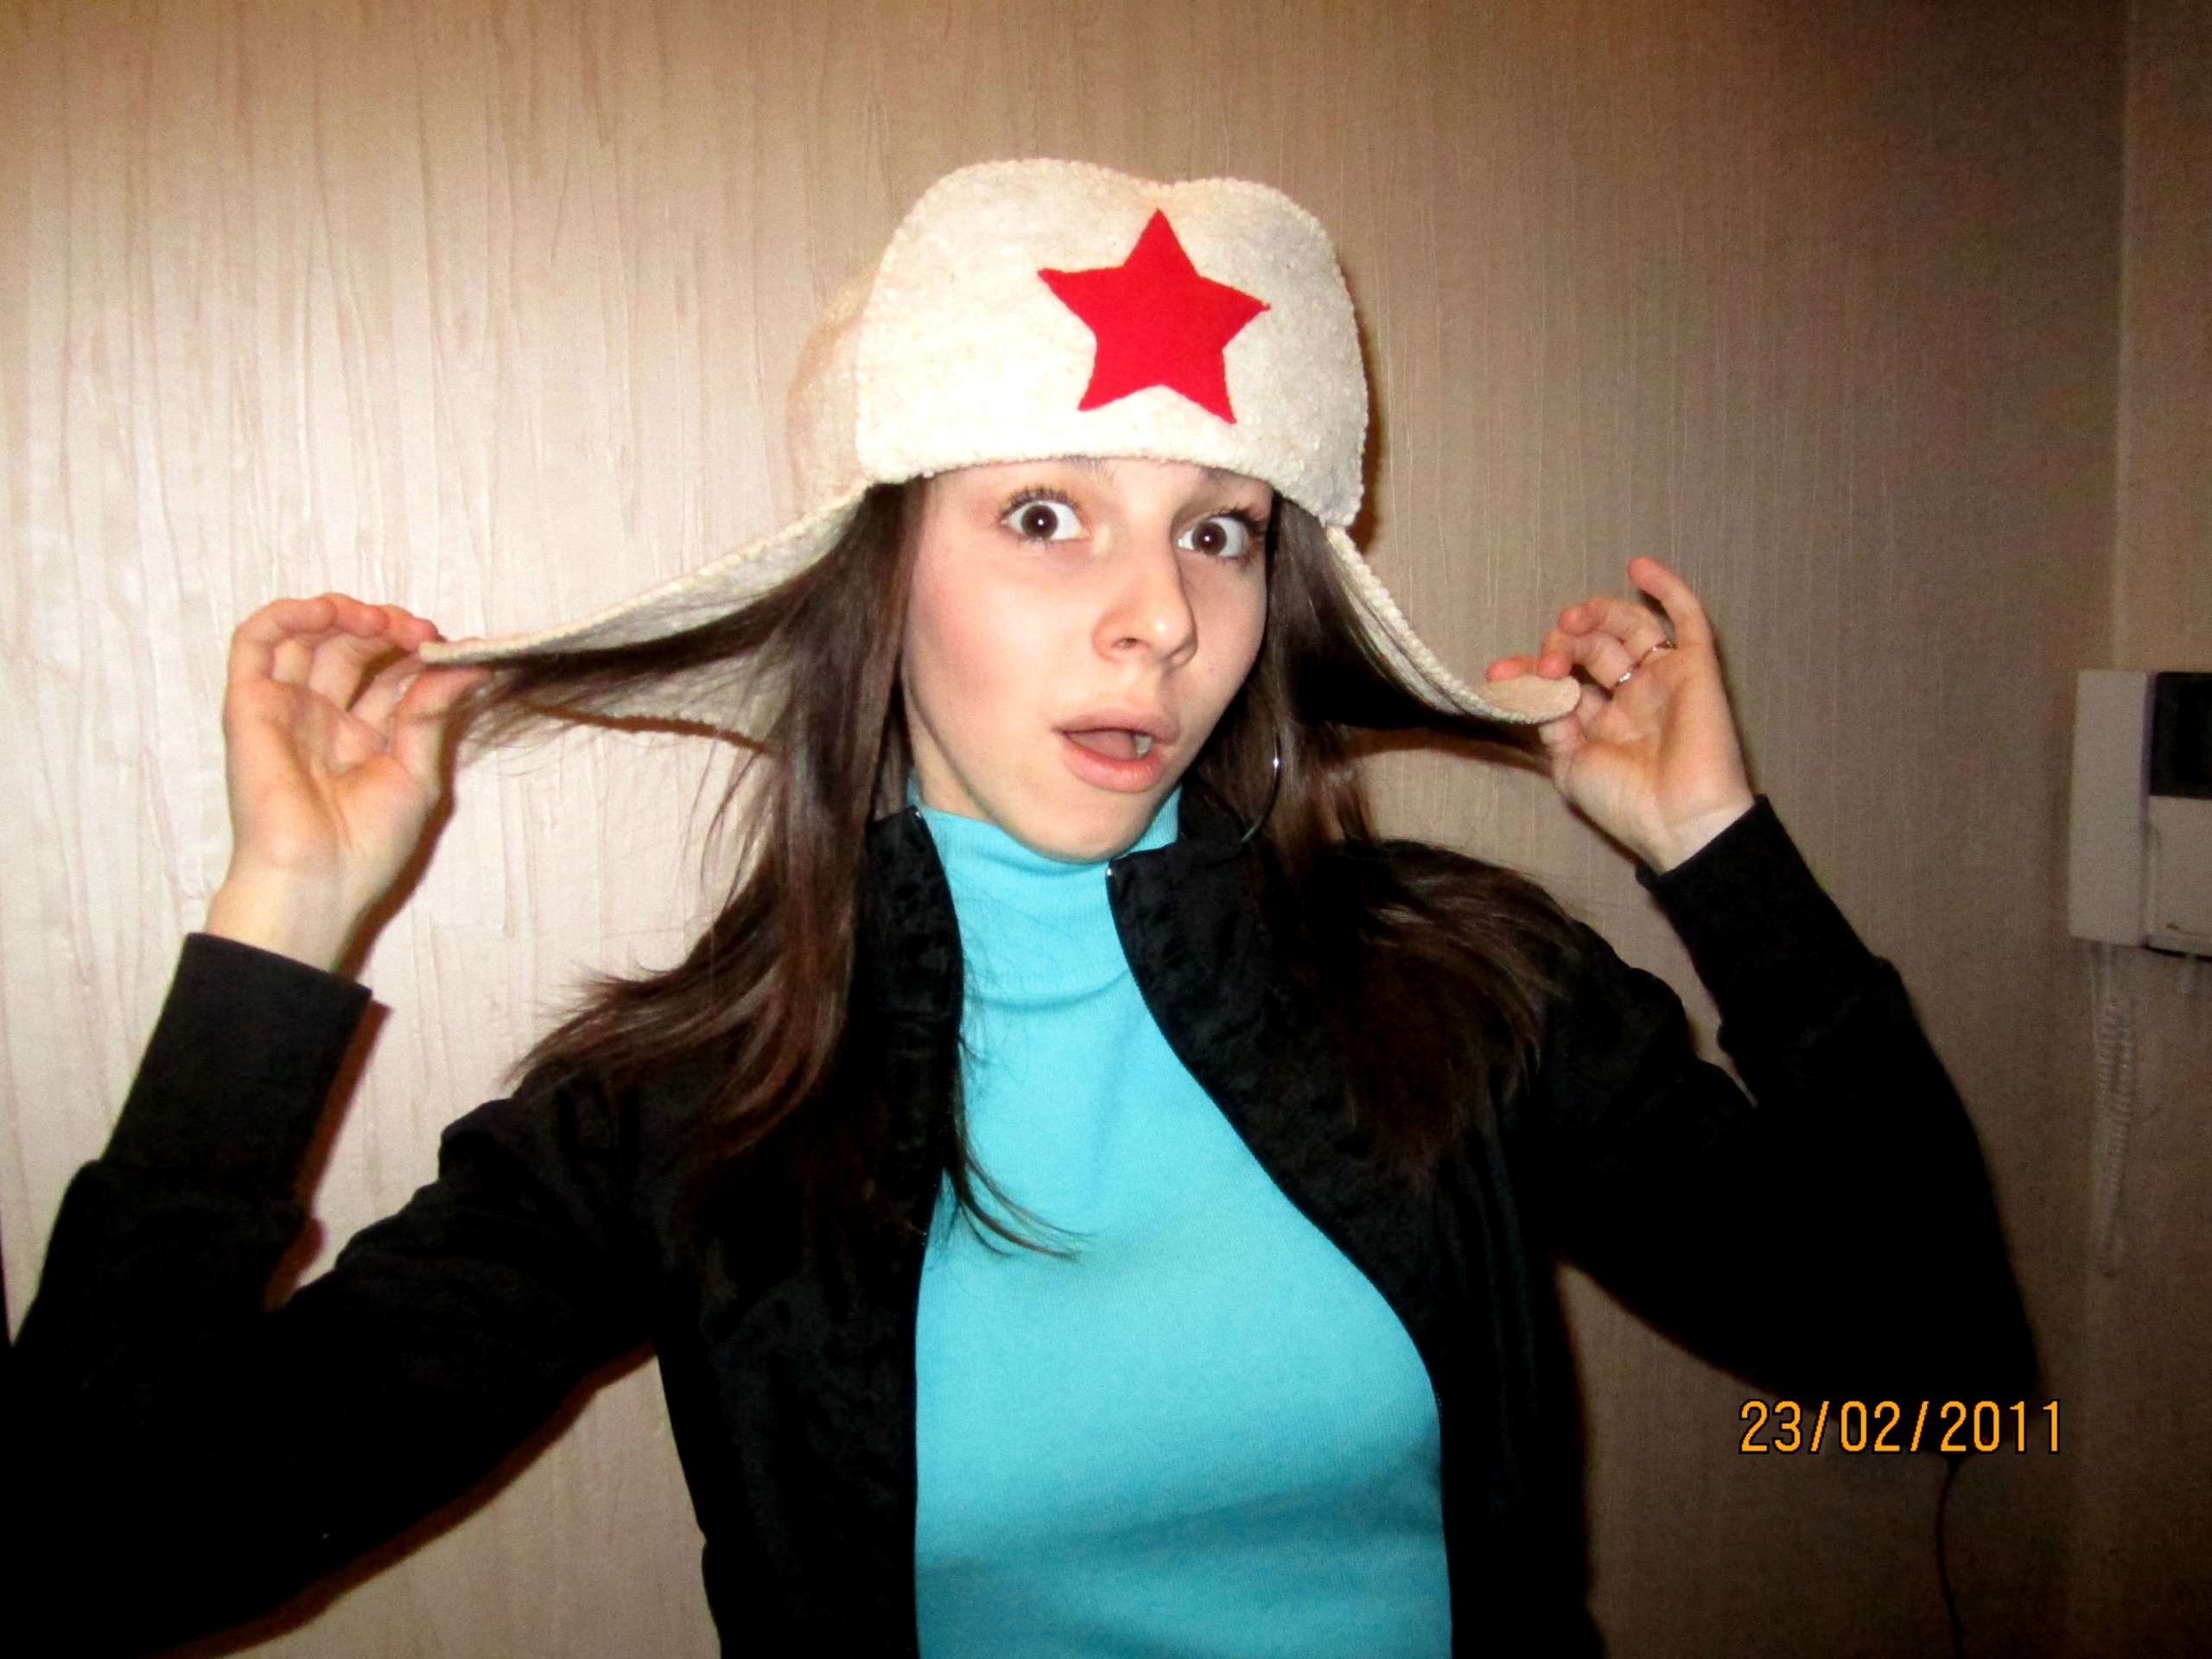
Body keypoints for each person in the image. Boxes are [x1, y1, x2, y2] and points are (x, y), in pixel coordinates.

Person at [4, 160, 2031, 1657]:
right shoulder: (687, 1115)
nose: (1158, 617)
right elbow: (111, 1554)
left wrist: (1715, 849)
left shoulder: (1463, 993)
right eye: (1045, 516)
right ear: (878, 581)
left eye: (1217, 532)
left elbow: (1935, 1369)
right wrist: (282, 923)